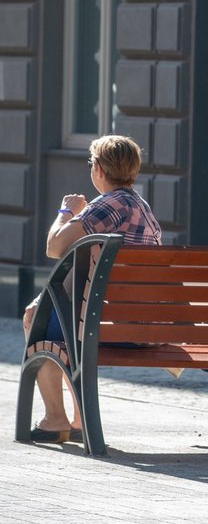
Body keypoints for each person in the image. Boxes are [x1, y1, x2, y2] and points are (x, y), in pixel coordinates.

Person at [23, 135, 162, 443]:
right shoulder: (144, 209)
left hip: (103, 326)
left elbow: (54, 247)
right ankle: (77, 420)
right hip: (141, 329)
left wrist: (66, 212)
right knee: (58, 318)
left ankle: (55, 419)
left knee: (35, 318)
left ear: (99, 169)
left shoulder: (107, 206)